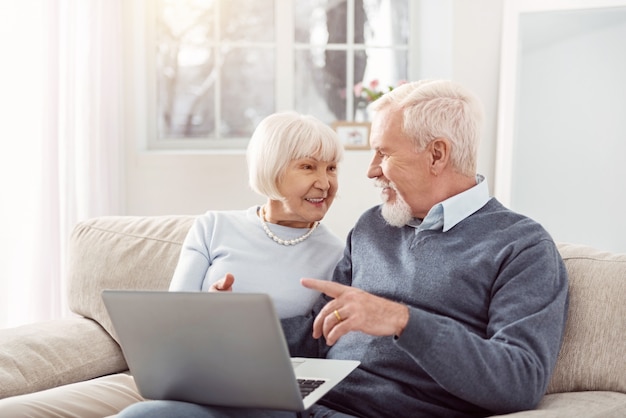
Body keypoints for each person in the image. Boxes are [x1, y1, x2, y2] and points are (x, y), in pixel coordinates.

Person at [117, 79, 570, 418]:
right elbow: (318, 333)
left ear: (436, 155)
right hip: (307, 405)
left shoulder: (522, 247)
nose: (371, 171)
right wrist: (229, 330)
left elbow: (520, 379)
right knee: (144, 415)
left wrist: (401, 321)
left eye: (383, 154)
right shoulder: (374, 227)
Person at [0, 111, 346, 418]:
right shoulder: (214, 227)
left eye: (331, 168)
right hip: (189, 379)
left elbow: (325, 346)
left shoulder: (339, 254)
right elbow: (173, 322)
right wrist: (211, 309)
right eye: (308, 166)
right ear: (271, 168)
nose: (325, 182)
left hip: (268, 398)